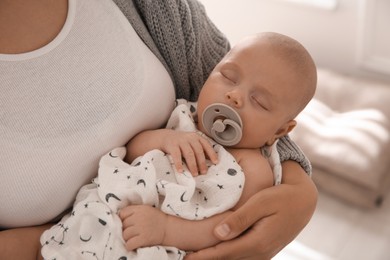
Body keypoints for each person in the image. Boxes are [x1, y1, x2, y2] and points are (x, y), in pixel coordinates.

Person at [0, 0, 317, 259]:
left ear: (280, 131)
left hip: (145, 240)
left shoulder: (254, 169)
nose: (234, 95)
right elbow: (134, 147)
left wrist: (167, 229)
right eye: (228, 77)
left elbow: (229, 226)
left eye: (259, 101)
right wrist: (165, 138)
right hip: (97, 209)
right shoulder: (185, 116)